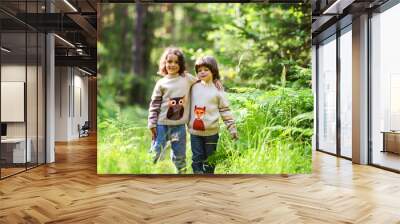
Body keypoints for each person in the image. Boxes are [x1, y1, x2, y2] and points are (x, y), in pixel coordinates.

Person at [148, 47, 222, 174]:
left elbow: (202, 79)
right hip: (161, 125)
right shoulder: (161, 83)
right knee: (156, 150)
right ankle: (145, 171)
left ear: (181, 64)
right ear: (164, 63)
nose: (172, 65)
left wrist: (215, 80)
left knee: (180, 155)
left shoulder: (187, 78)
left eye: (176, 62)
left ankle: (181, 175)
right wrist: (152, 123)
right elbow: (154, 104)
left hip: (179, 127)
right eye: (169, 61)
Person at [188, 56, 238, 174]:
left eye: (206, 69)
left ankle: (209, 180)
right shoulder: (193, 86)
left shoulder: (218, 90)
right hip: (195, 132)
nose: (202, 72)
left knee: (210, 159)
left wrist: (232, 128)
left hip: (212, 133)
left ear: (213, 71)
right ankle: (197, 181)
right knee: (197, 158)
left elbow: (225, 110)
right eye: (199, 70)